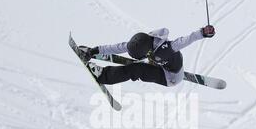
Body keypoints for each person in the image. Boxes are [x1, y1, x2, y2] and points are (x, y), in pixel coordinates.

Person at [79, 25, 215, 87]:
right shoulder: (143, 41)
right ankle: (153, 64)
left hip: (170, 78)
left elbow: (188, 39)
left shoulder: (169, 48)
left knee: (136, 69)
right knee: (140, 64)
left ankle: (103, 75)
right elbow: (117, 47)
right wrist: (93, 51)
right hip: (161, 62)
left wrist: (203, 32)